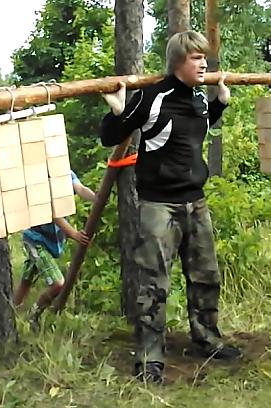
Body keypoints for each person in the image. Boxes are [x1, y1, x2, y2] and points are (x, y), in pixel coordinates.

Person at [99, 30, 241, 384]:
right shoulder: (151, 97)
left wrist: (220, 102)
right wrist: (118, 111)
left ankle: (206, 339)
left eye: (204, 57)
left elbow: (199, 128)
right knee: (152, 284)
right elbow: (109, 136)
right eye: (196, 57)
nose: (204, 63)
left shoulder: (198, 99)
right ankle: (149, 358)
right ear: (178, 61)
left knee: (206, 276)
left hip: (196, 202)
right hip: (159, 205)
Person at [12, 171, 96, 328]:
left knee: (26, 280)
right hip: (35, 240)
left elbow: (80, 188)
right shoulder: (41, 178)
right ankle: (33, 316)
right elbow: (52, 214)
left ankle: (12, 312)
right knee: (58, 283)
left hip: (49, 241)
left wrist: (96, 198)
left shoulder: (65, 173)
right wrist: (73, 234)